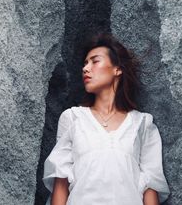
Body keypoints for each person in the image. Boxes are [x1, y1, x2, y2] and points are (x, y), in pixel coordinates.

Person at [42, 32, 170, 205]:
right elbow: (61, 184)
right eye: (85, 63)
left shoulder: (142, 124)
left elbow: (150, 187)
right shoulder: (73, 118)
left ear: (117, 69)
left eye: (95, 61)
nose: (86, 68)